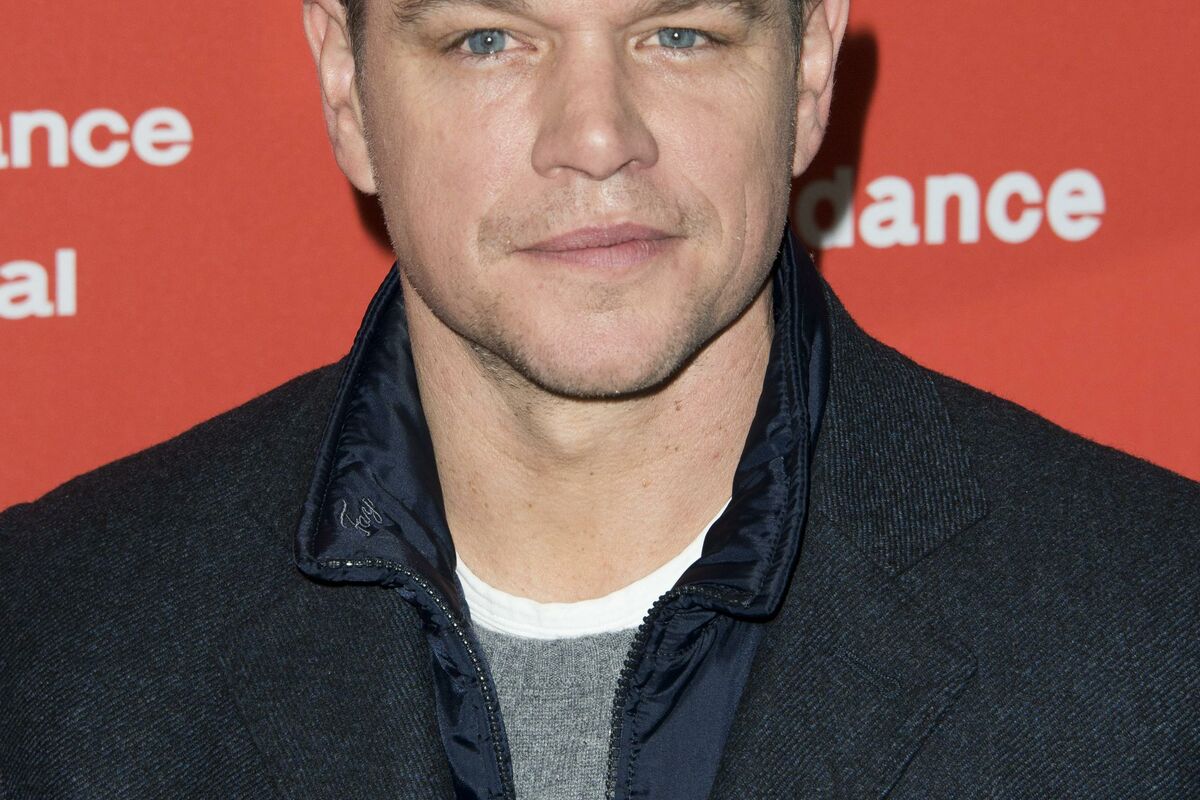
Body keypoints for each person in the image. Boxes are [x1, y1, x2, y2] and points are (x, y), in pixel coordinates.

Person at [1, 0, 1197, 796]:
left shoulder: (1159, 633)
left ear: (808, 71)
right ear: (348, 89)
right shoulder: (47, 641)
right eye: (488, 39)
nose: (594, 135)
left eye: (679, 34)